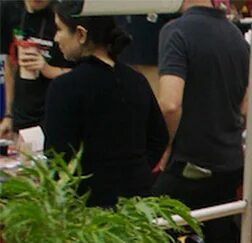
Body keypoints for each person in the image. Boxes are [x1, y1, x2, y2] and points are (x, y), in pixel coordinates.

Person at [43, 3, 167, 208]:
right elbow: (159, 136)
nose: (56, 38)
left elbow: (57, 158)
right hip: (136, 206)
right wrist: (137, 172)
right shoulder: (136, 80)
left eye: (59, 29)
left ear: (81, 35)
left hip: (88, 214)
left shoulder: (65, 87)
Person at [155, 0, 250, 243]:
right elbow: (247, 103)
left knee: (152, 229)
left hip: (192, 163)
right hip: (229, 163)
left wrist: (165, 145)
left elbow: (170, 104)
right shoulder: (236, 36)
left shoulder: (175, 32)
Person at [1, 0, 71, 139]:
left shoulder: (63, 14)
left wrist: (50, 70)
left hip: (55, 114)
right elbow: (10, 65)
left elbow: (86, 74)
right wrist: (9, 115)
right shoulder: (9, 9)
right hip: (22, 114)